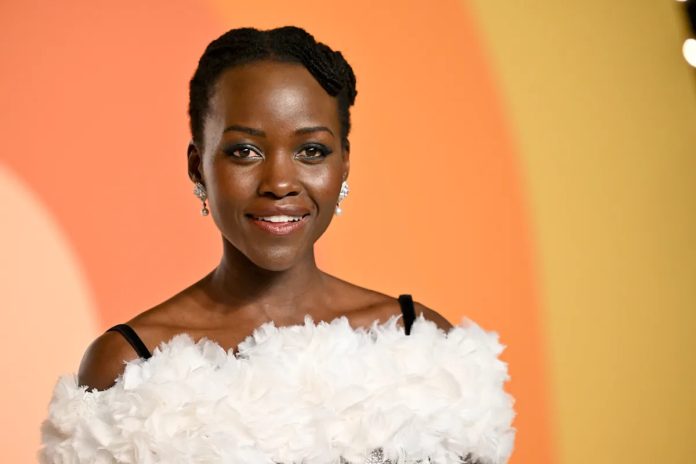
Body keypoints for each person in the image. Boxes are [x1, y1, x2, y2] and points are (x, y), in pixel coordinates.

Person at [40, 26, 515, 464]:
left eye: (311, 151)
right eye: (245, 151)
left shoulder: (420, 344)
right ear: (197, 166)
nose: (280, 182)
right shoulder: (128, 366)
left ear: (343, 165)